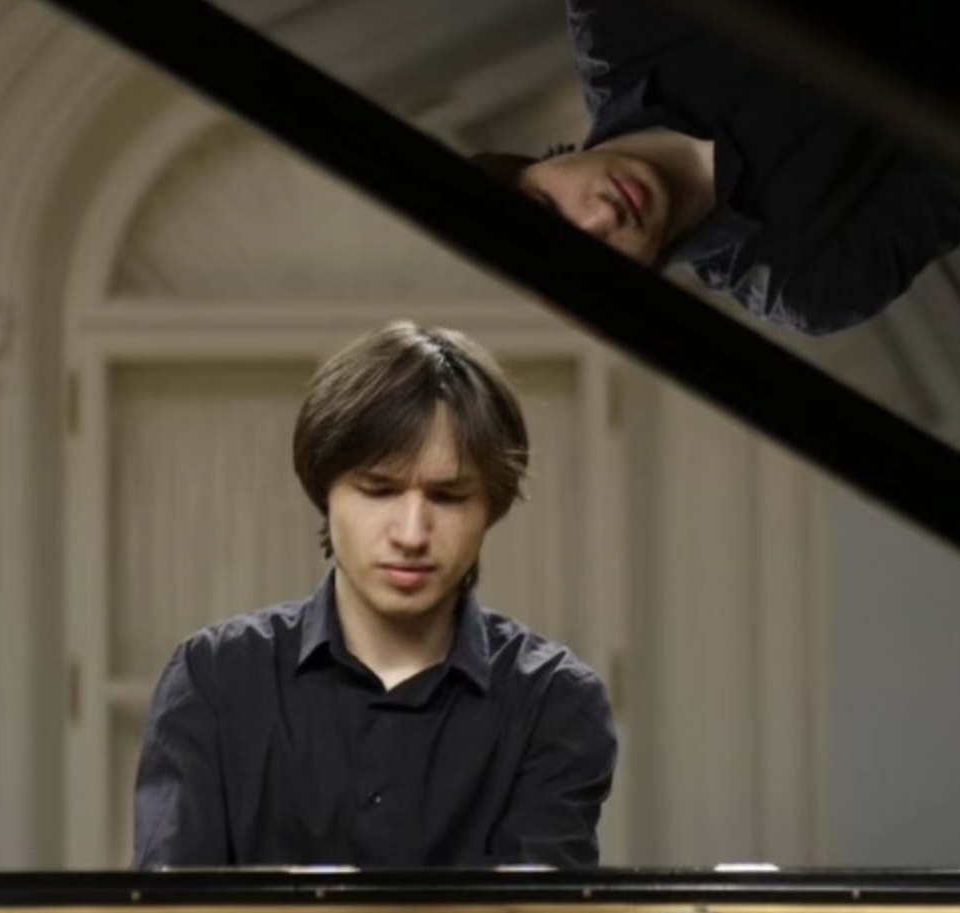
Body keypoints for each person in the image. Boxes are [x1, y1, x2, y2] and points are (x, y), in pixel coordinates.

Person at [132, 321, 617, 870]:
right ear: (326, 492)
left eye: (449, 496)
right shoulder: (213, 680)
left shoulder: (556, 703)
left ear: (491, 508)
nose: (411, 533)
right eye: (378, 490)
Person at [477, 0, 960, 335]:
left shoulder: (615, 13)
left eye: (550, 210)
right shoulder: (812, 283)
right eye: (591, 258)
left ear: (530, 167)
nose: (599, 219)